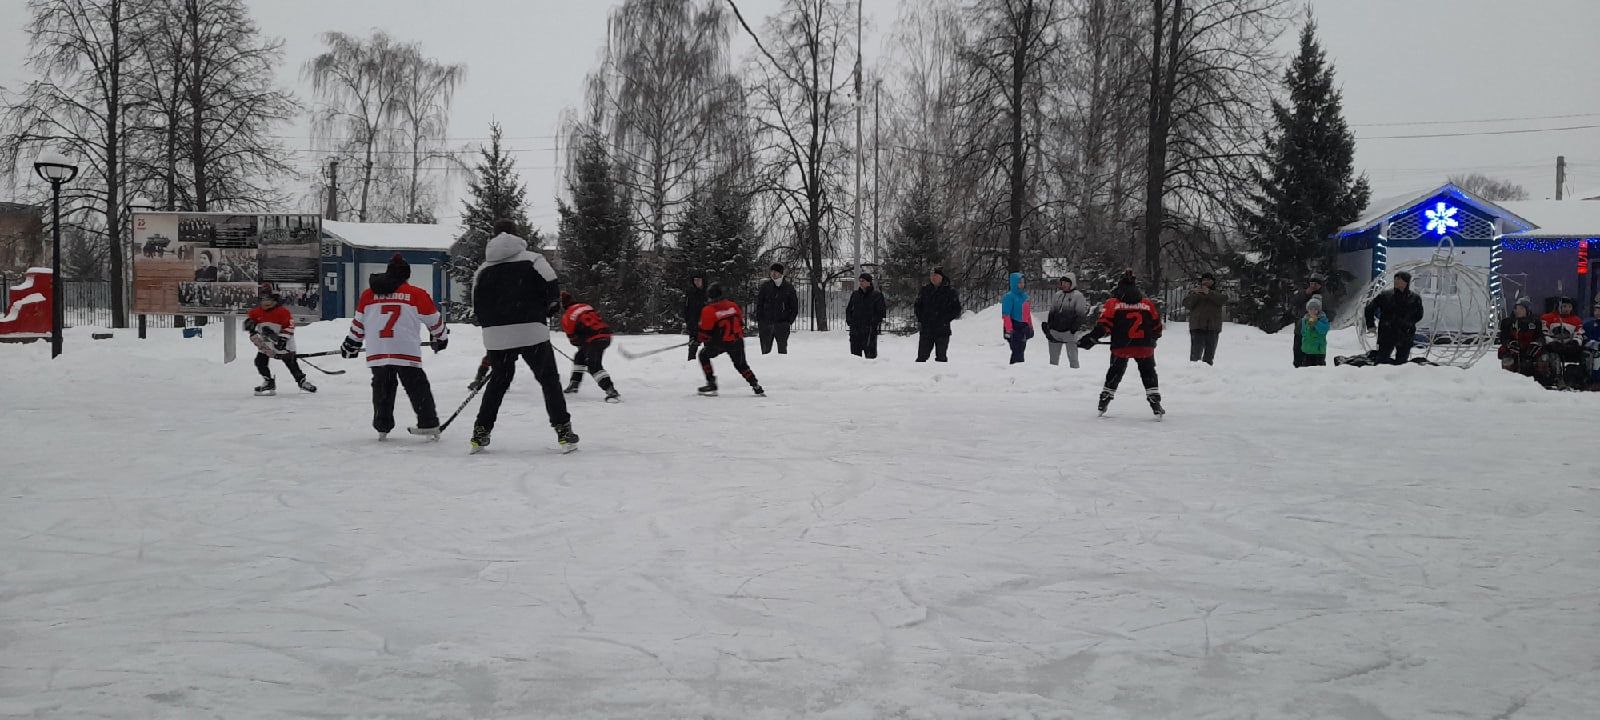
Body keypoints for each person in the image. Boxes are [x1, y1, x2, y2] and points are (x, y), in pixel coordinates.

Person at [469, 219, 578, 454]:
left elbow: (476, 307)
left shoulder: (483, 269)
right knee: (548, 381)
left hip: (497, 336)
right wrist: (546, 311)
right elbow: (552, 288)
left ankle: (480, 432)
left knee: (498, 382)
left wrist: (494, 325)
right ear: (517, 235)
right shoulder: (534, 259)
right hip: (531, 331)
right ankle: (563, 430)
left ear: (493, 236)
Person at [340, 254, 447, 440]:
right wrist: (441, 337)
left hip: (378, 350)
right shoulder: (416, 294)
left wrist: (352, 344)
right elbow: (434, 321)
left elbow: (358, 325)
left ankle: (382, 425)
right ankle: (428, 422)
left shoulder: (368, 295)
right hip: (406, 350)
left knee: (383, 387)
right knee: (416, 386)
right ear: (406, 276)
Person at [1078, 271, 1163, 418]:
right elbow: (1157, 327)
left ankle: (1105, 398)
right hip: (1144, 346)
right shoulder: (1147, 304)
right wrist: (1152, 339)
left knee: (1115, 371)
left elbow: (1104, 325)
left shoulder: (1113, 303)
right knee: (1148, 371)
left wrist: (1091, 338)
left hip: (1121, 346)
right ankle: (1154, 400)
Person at [696, 283, 765, 397]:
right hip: (737, 340)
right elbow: (741, 323)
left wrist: (698, 339)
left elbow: (705, 332)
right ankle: (755, 385)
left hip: (720, 342)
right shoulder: (733, 305)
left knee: (703, 355)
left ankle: (711, 383)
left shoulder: (709, 310)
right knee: (741, 365)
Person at [245, 292, 315, 396]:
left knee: (291, 363)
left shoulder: (283, 312)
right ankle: (268, 382)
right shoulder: (256, 312)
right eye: (263, 300)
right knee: (260, 361)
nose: (265, 302)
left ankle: (302, 381)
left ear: (275, 301)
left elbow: (289, 327)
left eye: (268, 300)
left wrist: (282, 339)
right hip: (266, 343)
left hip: (284, 343)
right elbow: (251, 323)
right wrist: (249, 325)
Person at [559, 290, 621, 403]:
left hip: (593, 339)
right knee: (580, 357)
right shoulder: (585, 306)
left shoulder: (567, 316)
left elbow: (573, 339)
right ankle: (574, 384)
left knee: (594, 366)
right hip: (606, 335)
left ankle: (610, 390)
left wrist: (579, 343)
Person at [1364, 271, 1425, 365]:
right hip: (1387, 333)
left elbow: (1419, 314)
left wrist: (1408, 323)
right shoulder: (1385, 295)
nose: (1396, 281)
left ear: (1406, 282)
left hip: (1405, 334)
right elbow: (1369, 308)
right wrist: (1371, 325)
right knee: (1382, 361)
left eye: (1399, 279)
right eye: (1395, 279)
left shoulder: (1415, 298)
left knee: (1402, 363)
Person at [913, 266, 960, 362]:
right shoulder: (925, 290)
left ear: (941, 277)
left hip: (942, 329)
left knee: (941, 357)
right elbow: (918, 306)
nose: (933, 278)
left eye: (936, 275)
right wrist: (922, 318)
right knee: (922, 357)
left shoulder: (949, 292)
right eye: (932, 276)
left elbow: (956, 309)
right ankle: (919, 374)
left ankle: (940, 374)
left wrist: (945, 319)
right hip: (927, 329)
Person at [1539, 296, 1587, 387]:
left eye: (1569, 307)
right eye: (1564, 306)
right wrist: (1552, 343)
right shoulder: (1547, 318)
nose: (1567, 309)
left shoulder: (1576, 320)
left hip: (1570, 347)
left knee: (1585, 355)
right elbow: (1544, 333)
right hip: (1553, 347)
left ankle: (1581, 379)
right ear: (1559, 306)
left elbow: (1579, 334)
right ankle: (1557, 378)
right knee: (1554, 357)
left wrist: (1575, 342)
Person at [1044, 274, 1090, 368]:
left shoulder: (1078, 296)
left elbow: (1081, 315)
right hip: (1055, 331)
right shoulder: (1057, 295)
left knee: (1073, 358)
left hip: (1069, 332)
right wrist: (1049, 326)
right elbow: (1052, 312)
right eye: (1062, 282)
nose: (1064, 285)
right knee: (1053, 359)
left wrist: (1074, 328)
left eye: (1066, 283)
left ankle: (1074, 376)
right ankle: (1052, 377)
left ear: (1072, 283)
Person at [755, 263, 799, 354]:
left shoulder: (788, 288)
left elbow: (794, 306)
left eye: (775, 271)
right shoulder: (766, 287)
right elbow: (759, 304)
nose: (773, 273)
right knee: (765, 351)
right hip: (766, 324)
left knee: (782, 351)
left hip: (782, 324)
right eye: (772, 271)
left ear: (781, 273)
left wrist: (788, 321)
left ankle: (781, 368)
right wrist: (761, 321)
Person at [1183, 272, 1227, 365]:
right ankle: (1193, 373)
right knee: (1195, 356)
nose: (1206, 282)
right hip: (1197, 326)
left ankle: (1207, 374)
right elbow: (1187, 304)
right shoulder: (1195, 291)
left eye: (1208, 280)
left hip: (1213, 327)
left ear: (1213, 281)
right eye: (1204, 280)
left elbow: (1222, 300)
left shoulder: (1219, 291)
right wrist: (1196, 294)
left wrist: (1209, 293)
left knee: (1209, 356)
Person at [845, 272, 888, 359]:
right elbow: (849, 309)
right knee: (855, 356)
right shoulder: (855, 295)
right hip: (855, 330)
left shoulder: (876, 295)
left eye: (863, 281)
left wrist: (874, 322)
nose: (861, 283)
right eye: (860, 281)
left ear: (869, 282)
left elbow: (881, 312)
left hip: (869, 330)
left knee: (870, 356)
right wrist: (850, 321)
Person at [1497, 298, 1543, 375]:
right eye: (1516, 308)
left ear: (1527, 310)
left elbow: (1540, 336)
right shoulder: (1507, 322)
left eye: (1521, 308)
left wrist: (1537, 343)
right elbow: (1503, 337)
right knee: (1506, 356)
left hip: (1531, 350)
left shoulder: (1536, 321)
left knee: (1544, 356)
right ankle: (1507, 376)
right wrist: (1510, 343)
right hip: (1513, 350)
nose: (1518, 311)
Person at [1290, 277, 1325, 367]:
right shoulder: (1303, 293)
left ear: (1320, 286)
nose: (1313, 286)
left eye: (1316, 284)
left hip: (1315, 332)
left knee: (1314, 356)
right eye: (1312, 283)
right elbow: (1294, 301)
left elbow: (1330, 312)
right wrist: (1305, 294)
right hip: (1300, 328)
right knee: (1298, 353)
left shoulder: (1324, 296)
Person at [1001, 272, 1033, 364]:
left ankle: (1019, 371)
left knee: (1021, 351)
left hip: (1023, 327)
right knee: (1016, 352)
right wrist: (1009, 330)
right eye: (1019, 282)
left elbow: (1027, 314)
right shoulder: (1009, 297)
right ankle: (1014, 371)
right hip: (1013, 326)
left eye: (1023, 282)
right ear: (1014, 283)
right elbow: (1006, 315)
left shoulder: (1025, 296)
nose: (1022, 284)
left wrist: (1030, 327)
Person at [1299, 296, 1330, 367]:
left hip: (1318, 351)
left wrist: (1316, 322)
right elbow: (1303, 332)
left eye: (1315, 309)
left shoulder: (1322, 319)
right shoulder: (1305, 319)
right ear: (1308, 310)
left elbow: (1323, 330)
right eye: (1310, 309)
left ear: (1318, 310)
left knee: (1319, 370)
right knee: (1307, 369)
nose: (1312, 311)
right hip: (1307, 350)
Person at [684, 272, 708, 361]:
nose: (697, 282)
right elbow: (686, 308)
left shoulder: (708, 293)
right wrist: (688, 322)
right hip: (693, 323)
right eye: (695, 280)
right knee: (693, 346)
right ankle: (691, 364)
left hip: (707, 324)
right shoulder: (690, 293)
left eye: (699, 280)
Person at [1584, 300, 1600, 385]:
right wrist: (1594, 344)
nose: (1597, 312)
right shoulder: (1588, 324)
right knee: (1595, 356)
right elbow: (1584, 339)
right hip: (1592, 350)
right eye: (1596, 310)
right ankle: (1595, 381)